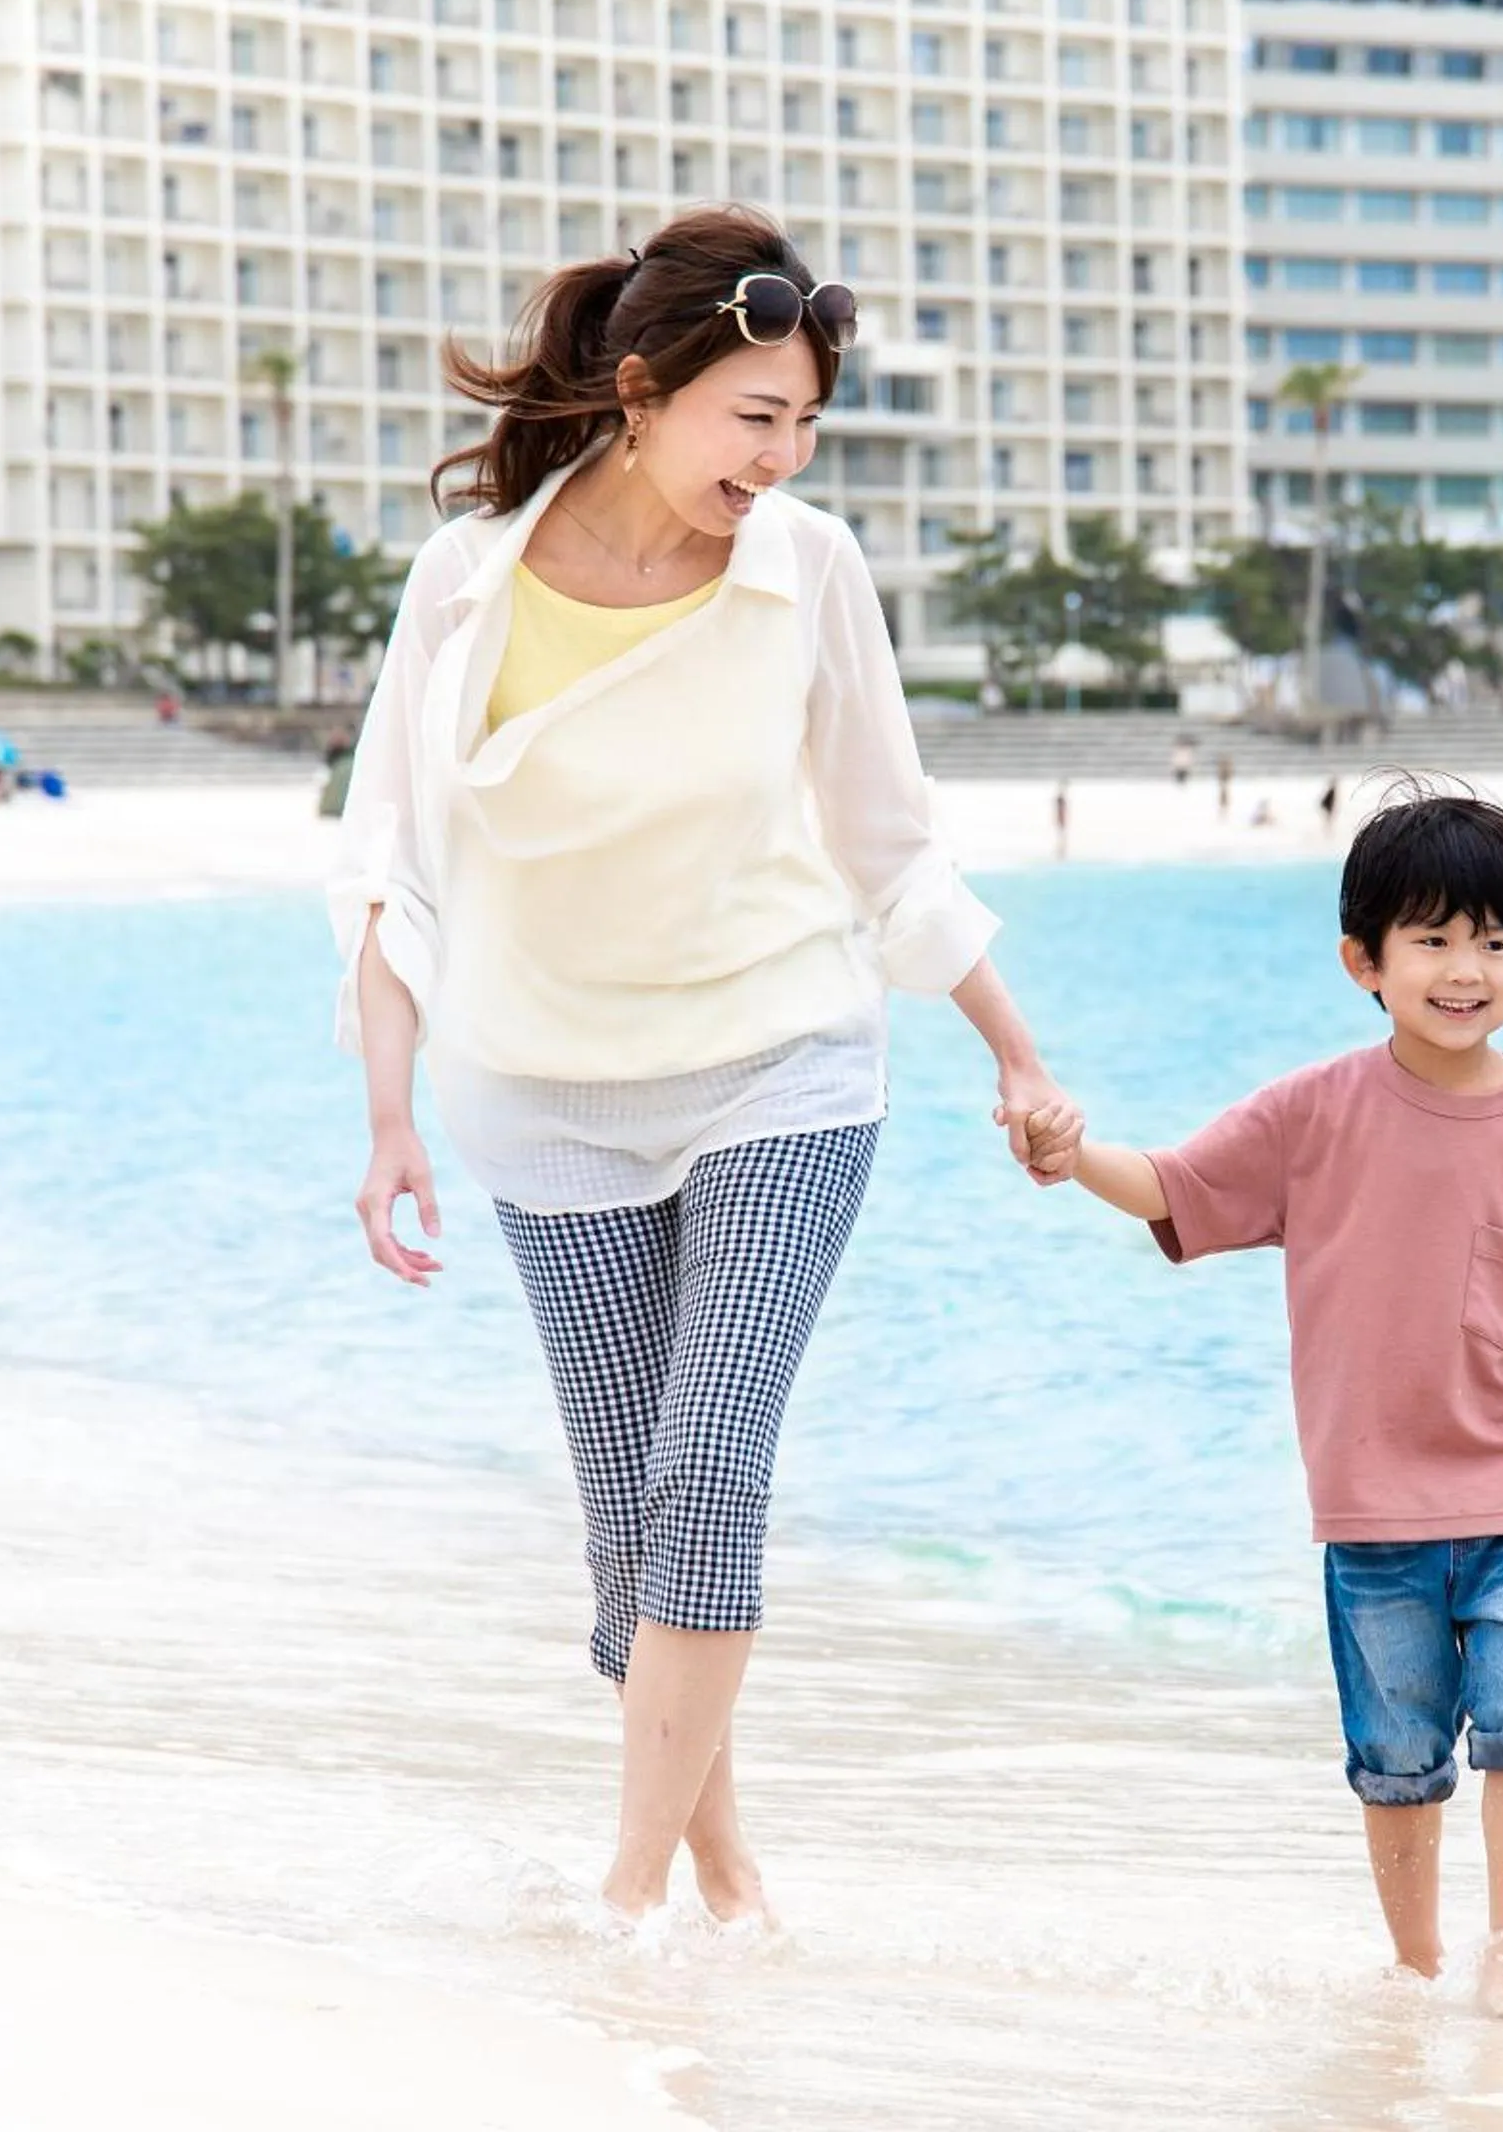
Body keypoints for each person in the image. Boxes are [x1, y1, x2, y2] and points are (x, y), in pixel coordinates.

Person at [331, 207, 1083, 1929]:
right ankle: (726, 1878)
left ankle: (622, 1901)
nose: (786, 455)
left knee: (712, 1468)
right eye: (757, 417)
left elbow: (891, 848)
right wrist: (389, 1116)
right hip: (542, 1096)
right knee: (628, 1524)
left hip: (783, 1062)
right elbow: (392, 870)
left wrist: (1021, 1056)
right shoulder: (467, 587)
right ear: (644, 390)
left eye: (806, 422)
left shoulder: (807, 569)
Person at [1050, 792, 1503, 2021]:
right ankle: (1416, 1963)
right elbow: (1171, 1185)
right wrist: (1072, 1155)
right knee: (1396, 1757)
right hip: (1373, 1504)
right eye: (1431, 940)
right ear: (1364, 962)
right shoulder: (1309, 1113)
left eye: (1495, 943)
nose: (1464, 969)